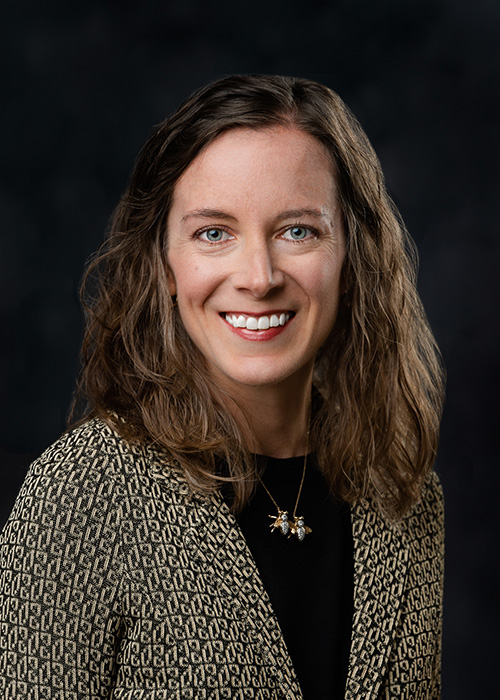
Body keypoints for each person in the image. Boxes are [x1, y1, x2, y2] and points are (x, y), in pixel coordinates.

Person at [0, 75, 445, 699]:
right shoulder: (83, 493)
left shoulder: (407, 496)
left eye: (298, 231)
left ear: (352, 256)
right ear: (164, 262)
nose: (258, 277)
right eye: (214, 233)